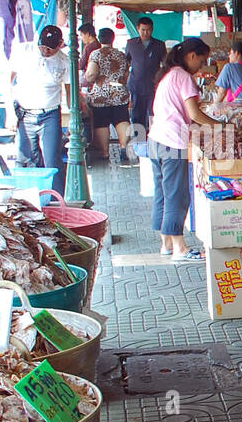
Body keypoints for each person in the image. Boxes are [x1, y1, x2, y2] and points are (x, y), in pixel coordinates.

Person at [148, 38, 216, 261]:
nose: (202, 66)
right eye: (202, 60)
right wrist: (220, 126)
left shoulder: (169, 74)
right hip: (172, 142)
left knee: (163, 194)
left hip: (155, 140)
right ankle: (180, 248)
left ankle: (166, 244)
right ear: (192, 55)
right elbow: (195, 114)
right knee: (177, 195)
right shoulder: (184, 77)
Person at [9, 25, 70, 197]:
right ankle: (28, 197)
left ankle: (57, 200)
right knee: (27, 156)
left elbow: (70, 91)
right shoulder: (24, 52)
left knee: (52, 158)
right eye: (42, 46)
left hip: (50, 112)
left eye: (50, 48)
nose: (45, 51)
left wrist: (74, 117)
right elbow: (6, 80)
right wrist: (9, 111)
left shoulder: (64, 61)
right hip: (25, 112)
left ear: (60, 45)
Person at [84, 28, 132, 164]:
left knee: (101, 123)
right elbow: (126, 74)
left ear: (99, 38)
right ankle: (123, 147)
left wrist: (89, 78)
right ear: (113, 39)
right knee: (122, 120)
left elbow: (91, 74)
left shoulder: (96, 54)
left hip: (101, 95)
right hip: (119, 93)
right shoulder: (121, 54)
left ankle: (105, 152)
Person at [125, 16, 166, 132]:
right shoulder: (131, 44)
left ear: (152, 30)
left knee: (154, 114)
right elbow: (126, 63)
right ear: (138, 29)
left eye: (148, 30)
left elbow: (165, 64)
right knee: (137, 116)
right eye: (143, 30)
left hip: (153, 86)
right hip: (135, 86)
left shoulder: (159, 45)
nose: (145, 33)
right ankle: (139, 142)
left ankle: (153, 139)